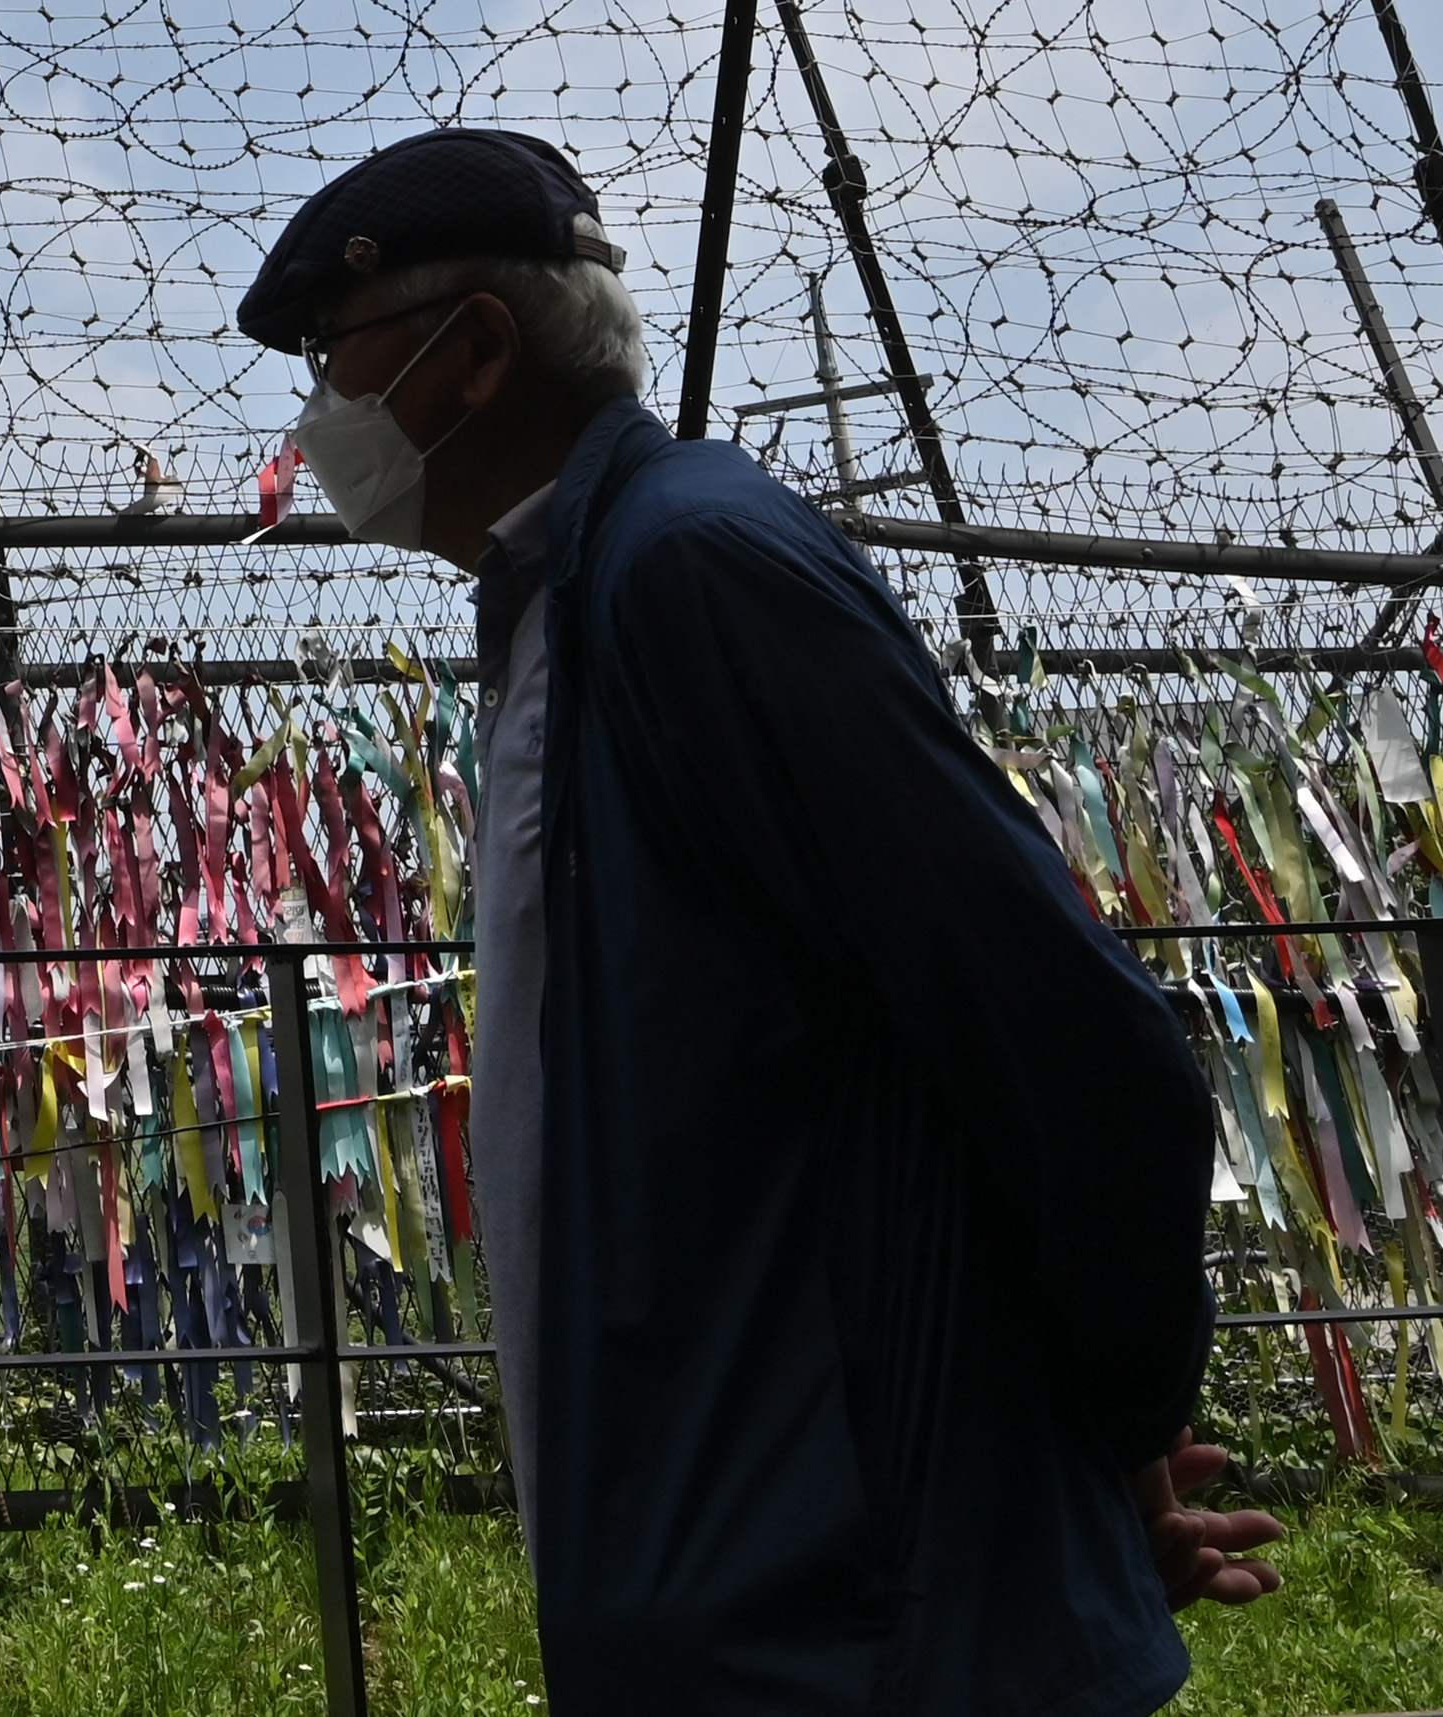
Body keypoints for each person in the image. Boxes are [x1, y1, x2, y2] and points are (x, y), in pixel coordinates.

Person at [237, 127, 1278, 1714]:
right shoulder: (568, 597)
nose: (320, 409)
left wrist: (1112, 1437)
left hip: (857, 1626)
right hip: (753, 1599)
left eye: (337, 352)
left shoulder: (687, 569)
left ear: (474, 352)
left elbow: (1068, 1036)